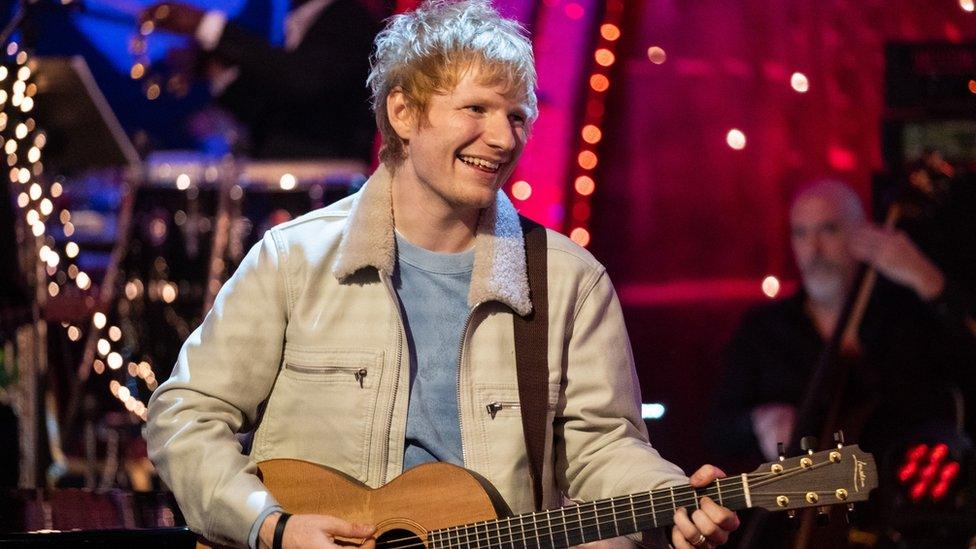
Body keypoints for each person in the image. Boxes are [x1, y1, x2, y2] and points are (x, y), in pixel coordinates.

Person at [146, 2, 739, 548]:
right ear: (403, 113)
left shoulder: (570, 281)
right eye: (476, 109)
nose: (503, 138)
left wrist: (671, 498)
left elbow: (604, 450)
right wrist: (271, 527)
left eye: (516, 116)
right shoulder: (294, 258)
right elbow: (185, 417)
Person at [707, 180, 976, 546]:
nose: (813, 248)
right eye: (801, 233)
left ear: (862, 234)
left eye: (829, 229)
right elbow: (718, 427)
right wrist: (758, 421)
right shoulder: (764, 329)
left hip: (902, 526)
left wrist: (926, 279)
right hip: (791, 528)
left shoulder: (908, 315)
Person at [140, 0, 381, 161]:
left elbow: (301, 80)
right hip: (279, 177)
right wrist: (216, 69)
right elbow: (271, 110)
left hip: (328, 190)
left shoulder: (350, 17)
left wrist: (207, 25)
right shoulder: (288, 19)